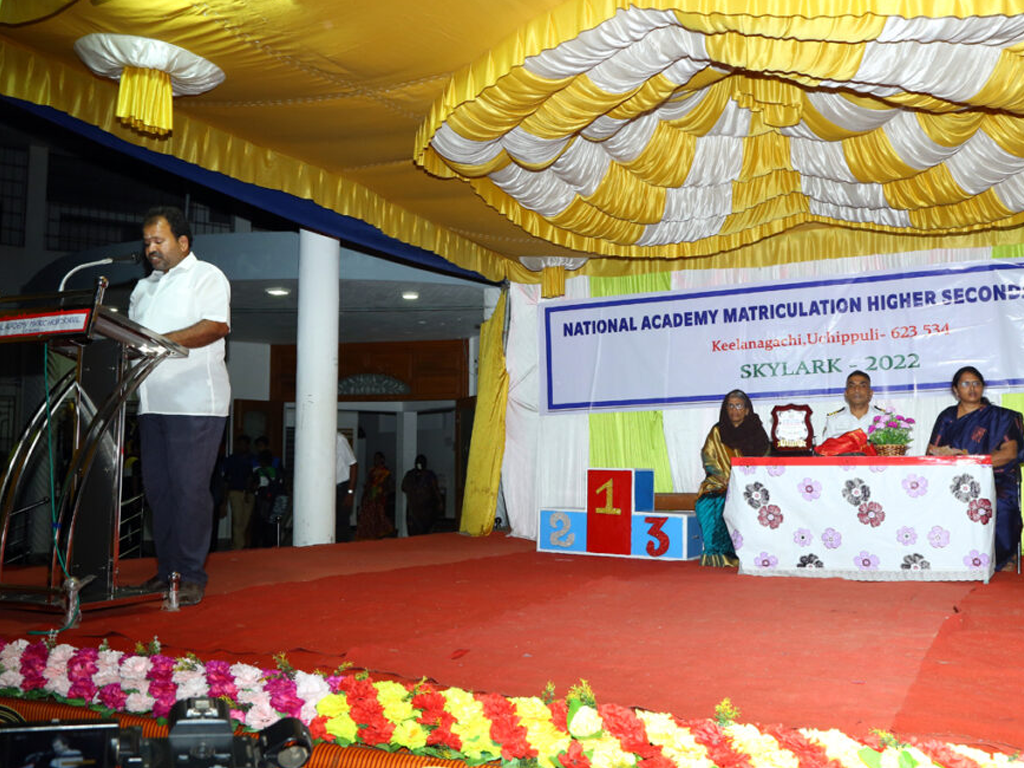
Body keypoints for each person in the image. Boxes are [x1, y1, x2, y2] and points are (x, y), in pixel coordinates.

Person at [127, 206, 230, 606]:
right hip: (151, 403)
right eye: (147, 242)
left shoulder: (207, 276)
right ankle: (166, 570)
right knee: (159, 492)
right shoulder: (142, 288)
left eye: (159, 240)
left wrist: (160, 342)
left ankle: (190, 575)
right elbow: (132, 339)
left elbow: (215, 326)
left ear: (183, 242)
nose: (151, 248)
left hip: (195, 403)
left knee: (189, 490)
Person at [927, 366, 1024, 570]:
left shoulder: (1000, 418)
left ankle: (1001, 556)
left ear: (982, 387)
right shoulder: (948, 416)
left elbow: (1009, 453)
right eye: (965, 384)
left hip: (994, 477)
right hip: (954, 478)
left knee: (1002, 505)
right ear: (956, 390)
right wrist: (949, 455)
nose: (972, 388)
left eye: (976, 383)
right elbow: (931, 451)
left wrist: (971, 461)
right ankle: (953, 553)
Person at [694, 389, 770, 567]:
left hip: (750, 486)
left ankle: (744, 555)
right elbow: (708, 457)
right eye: (730, 406)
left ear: (747, 410)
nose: (734, 410)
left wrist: (743, 481)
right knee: (709, 503)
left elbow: (764, 459)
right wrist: (723, 477)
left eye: (739, 406)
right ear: (725, 409)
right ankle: (717, 555)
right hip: (719, 482)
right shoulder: (718, 431)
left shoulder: (756, 431)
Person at [820, 370, 887, 442]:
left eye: (863, 386)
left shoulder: (884, 418)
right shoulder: (834, 420)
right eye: (852, 386)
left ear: (870, 393)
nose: (857, 390)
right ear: (846, 393)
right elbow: (825, 448)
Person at [222, 434, 256, 549]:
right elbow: (226, 479)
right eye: (240, 444)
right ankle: (238, 547)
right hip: (235, 492)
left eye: (244, 444)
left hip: (249, 493)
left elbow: (255, 476)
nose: (242, 447)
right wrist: (224, 500)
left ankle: (238, 544)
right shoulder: (231, 459)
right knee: (237, 520)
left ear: (248, 445)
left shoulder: (253, 459)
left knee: (245, 521)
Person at [355, 451, 395, 540]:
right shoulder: (372, 471)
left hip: (380, 498)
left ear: (382, 459)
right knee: (367, 516)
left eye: (377, 458)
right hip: (370, 497)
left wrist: (381, 491)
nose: (375, 460)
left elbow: (388, 486)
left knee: (379, 516)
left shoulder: (386, 472)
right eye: (374, 458)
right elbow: (368, 484)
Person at [402, 453, 443, 536]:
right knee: (414, 532)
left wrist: (439, 502)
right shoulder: (410, 475)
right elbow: (403, 487)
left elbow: (435, 490)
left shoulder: (429, 475)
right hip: (414, 509)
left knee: (424, 532)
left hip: (426, 509)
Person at [335, 430, 358, 542]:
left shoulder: (339, 439)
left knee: (341, 525)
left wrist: (350, 492)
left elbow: (353, 465)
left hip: (341, 488)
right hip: (327, 489)